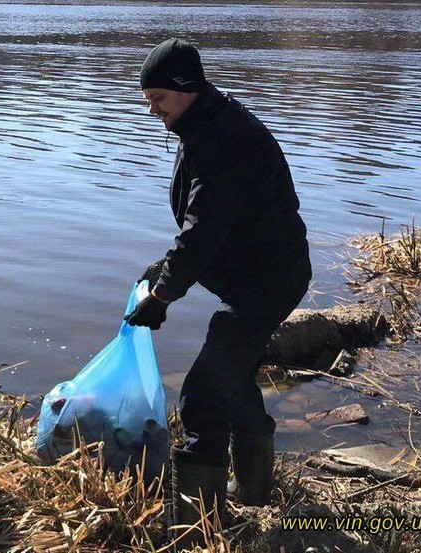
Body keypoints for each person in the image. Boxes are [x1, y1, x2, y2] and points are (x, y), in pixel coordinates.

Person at [124, 39, 311, 547]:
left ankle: (193, 524)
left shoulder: (222, 138)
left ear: (185, 88)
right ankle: (254, 489)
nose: (151, 108)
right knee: (233, 374)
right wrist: (165, 271)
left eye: (158, 96)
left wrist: (162, 296)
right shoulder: (203, 123)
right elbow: (205, 226)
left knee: (204, 392)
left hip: (269, 281)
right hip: (259, 276)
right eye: (147, 98)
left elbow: (204, 230)